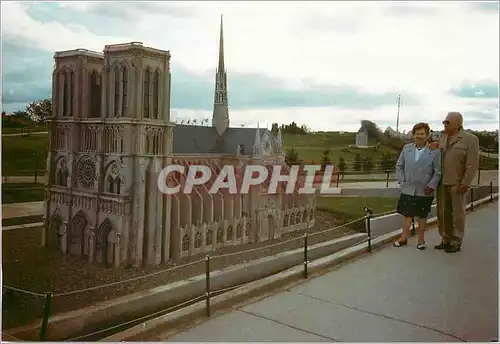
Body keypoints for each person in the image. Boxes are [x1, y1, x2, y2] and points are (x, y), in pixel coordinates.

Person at [432, 111, 479, 253]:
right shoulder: (442, 136)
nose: (445, 124)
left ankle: (456, 241)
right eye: (444, 122)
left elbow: (472, 163)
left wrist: (465, 183)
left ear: (458, 124)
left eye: (448, 122)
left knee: (457, 213)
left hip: (457, 183)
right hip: (442, 182)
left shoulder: (470, 139)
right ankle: (445, 238)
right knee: (442, 212)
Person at [393, 122, 441, 250]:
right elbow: (399, 166)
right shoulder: (406, 148)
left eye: (422, 134)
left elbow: (437, 172)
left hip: (424, 190)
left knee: (422, 215)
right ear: (413, 135)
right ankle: (403, 238)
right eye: (417, 134)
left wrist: (431, 186)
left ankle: (421, 240)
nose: (419, 136)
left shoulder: (434, 152)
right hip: (408, 188)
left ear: (427, 135)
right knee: (407, 214)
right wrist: (402, 181)